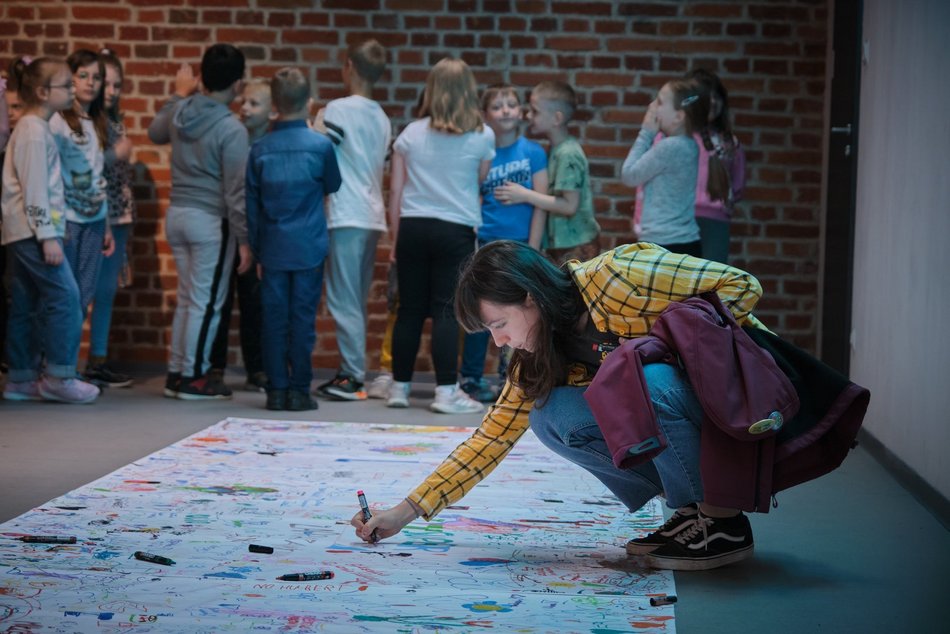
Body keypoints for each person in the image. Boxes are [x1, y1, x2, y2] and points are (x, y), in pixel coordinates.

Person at [352, 240, 768, 571]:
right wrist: (402, 514)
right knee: (550, 414)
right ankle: (692, 509)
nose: (499, 341)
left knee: (645, 377)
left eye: (499, 324)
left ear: (530, 298)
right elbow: (489, 440)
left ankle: (723, 520)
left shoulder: (614, 277)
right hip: (682, 409)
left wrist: (665, 350)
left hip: (746, 400)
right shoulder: (537, 354)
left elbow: (743, 285)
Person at [386, 58, 495, 414]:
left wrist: (394, 239)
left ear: (431, 89)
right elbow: (479, 179)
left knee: (409, 309)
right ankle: (445, 393)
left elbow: (396, 192)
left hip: (413, 228)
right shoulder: (482, 135)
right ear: (469, 91)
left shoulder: (411, 134)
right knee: (447, 311)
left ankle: (399, 388)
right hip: (455, 229)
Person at [147, 44, 252, 400]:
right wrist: (245, 239)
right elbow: (235, 192)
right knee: (205, 302)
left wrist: (178, 94)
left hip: (177, 215)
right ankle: (194, 377)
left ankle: (178, 373)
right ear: (238, 84)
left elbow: (154, 133)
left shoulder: (180, 111)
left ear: (201, 77)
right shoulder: (231, 129)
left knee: (189, 299)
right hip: (209, 220)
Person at [1, 56, 99, 403]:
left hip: (30, 230)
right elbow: (35, 188)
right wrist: (47, 235)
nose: (73, 89)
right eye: (66, 85)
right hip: (32, 232)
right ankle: (59, 375)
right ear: (43, 92)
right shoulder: (32, 131)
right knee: (66, 297)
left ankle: (22, 378)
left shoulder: (37, 127)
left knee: (27, 301)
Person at [245, 67, 341, 412]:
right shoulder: (320, 146)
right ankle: (300, 389)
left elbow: (252, 209)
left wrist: (256, 251)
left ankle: (276, 390)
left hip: (272, 248)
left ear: (275, 103)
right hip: (309, 247)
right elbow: (333, 185)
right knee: (302, 320)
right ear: (309, 102)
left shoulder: (259, 149)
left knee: (273, 321)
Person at [311, 39, 392, 402]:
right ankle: (354, 371)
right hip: (372, 214)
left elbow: (318, 151)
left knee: (344, 299)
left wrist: (314, 122)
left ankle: (352, 376)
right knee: (355, 299)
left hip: (345, 212)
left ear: (349, 66)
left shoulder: (337, 110)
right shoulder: (382, 116)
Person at [459, 84, 548, 403]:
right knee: (482, 312)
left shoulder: (534, 153)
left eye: (512, 104)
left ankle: (509, 379)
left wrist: (533, 248)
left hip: (520, 247)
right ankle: (470, 377)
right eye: (498, 106)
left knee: (515, 313)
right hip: (485, 243)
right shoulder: (483, 153)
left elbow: (540, 204)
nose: (507, 110)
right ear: (485, 115)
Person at [207, 79, 274, 393]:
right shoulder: (231, 135)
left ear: (273, 112)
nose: (244, 108)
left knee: (254, 302)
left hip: (257, 230)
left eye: (254, 104)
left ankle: (257, 367)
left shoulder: (272, 144)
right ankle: (214, 365)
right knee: (219, 299)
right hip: (226, 225)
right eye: (244, 101)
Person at [494, 81, 600, 266]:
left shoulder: (568, 154)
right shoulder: (555, 150)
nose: (528, 115)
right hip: (562, 244)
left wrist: (525, 195)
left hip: (576, 247)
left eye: (535, 111)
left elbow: (569, 206)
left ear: (556, 119)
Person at [50, 50, 115, 322]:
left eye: (97, 77)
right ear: (71, 79)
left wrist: (107, 223)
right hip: (68, 220)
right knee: (64, 293)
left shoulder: (99, 123)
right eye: (83, 76)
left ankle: (66, 360)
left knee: (85, 293)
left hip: (94, 221)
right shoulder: (58, 121)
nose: (90, 83)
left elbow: (98, 177)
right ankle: (51, 360)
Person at [82, 49, 134, 388]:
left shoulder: (115, 120)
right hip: (98, 216)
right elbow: (84, 165)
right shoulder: (91, 122)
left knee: (107, 292)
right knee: (87, 291)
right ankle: (66, 363)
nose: (111, 91)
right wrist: (114, 153)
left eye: (117, 85)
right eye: (107, 84)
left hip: (120, 216)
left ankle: (98, 359)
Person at [620, 78, 711, 258]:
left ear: (678, 116)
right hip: (682, 243)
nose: (652, 106)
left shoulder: (670, 147)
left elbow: (629, 175)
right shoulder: (688, 144)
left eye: (660, 102)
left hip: (665, 245)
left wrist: (646, 133)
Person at [686, 68, 746, 264]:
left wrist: (720, 204)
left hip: (717, 220)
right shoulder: (678, 139)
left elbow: (737, 186)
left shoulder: (729, 143)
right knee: (680, 282)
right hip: (680, 220)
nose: (712, 102)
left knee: (711, 279)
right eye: (705, 96)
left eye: (716, 97)